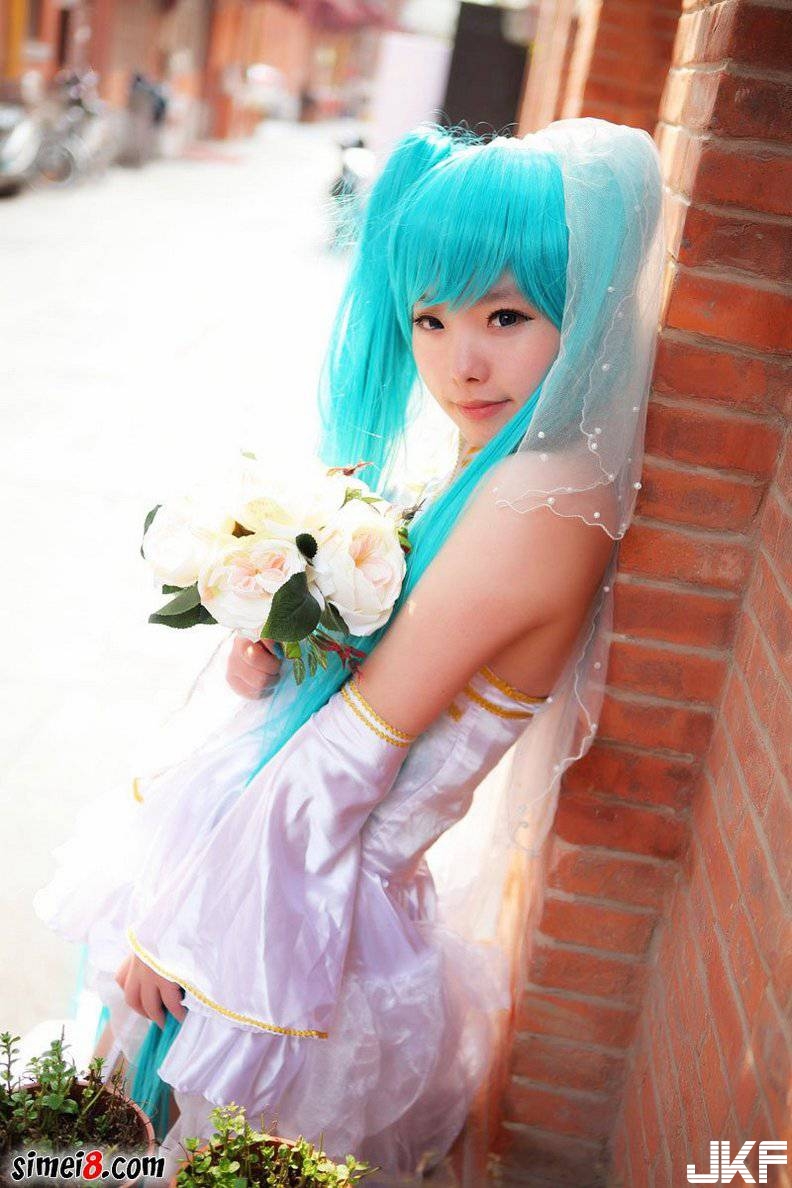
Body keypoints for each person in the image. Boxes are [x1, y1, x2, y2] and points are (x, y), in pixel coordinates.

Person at [34, 117, 664, 1182]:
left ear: (584, 308)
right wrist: (280, 651)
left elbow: (344, 765)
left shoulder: (538, 495)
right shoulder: (500, 472)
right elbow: (355, 699)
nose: (462, 362)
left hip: (286, 922)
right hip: (287, 890)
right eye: (430, 319)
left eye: (507, 315)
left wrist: (180, 928)